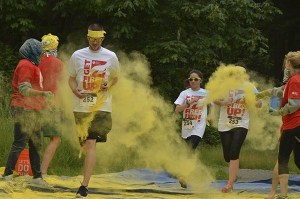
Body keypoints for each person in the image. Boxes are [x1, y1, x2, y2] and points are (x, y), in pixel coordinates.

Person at [69, 23, 120, 198]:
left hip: (101, 107)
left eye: (98, 39)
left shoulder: (111, 56)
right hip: (81, 107)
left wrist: (108, 84)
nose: (95, 42)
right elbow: (71, 79)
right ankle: (88, 170)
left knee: (90, 143)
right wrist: (75, 90)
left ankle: (84, 187)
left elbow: (115, 78)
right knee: (85, 144)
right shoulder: (77, 55)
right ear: (88, 37)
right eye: (92, 39)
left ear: (103, 38)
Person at [2, 38, 53, 185]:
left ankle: (37, 177)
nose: (42, 54)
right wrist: (43, 94)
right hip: (24, 108)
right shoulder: (25, 65)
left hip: (33, 109)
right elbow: (24, 90)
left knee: (35, 143)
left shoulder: (32, 64)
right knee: (20, 142)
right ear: (32, 51)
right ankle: (7, 175)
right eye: (40, 52)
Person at [258, 51, 300, 199]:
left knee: (282, 159)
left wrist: (278, 112)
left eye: (286, 63)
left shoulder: (295, 79)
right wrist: (261, 94)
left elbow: (294, 104)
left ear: (289, 64)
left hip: (293, 124)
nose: (284, 66)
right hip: (294, 124)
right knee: (298, 160)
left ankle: (282, 195)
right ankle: (276, 193)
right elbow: (279, 91)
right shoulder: (292, 79)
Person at [214, 63, 262, 193]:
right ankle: (233, 174)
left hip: (241, 124)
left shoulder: (249, 86)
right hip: (225, 124)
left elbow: (259, 103)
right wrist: (223, 102)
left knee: (234, 152)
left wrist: (250, 101)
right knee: (227, 156)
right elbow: (214, 99)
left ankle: (230, 183)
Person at [174, 69, 208, 188]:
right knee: (188, 153)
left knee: (190, 149)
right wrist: (189, 103)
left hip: (198, 127)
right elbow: (177, 109)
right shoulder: (184, 93)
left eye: (196, 79)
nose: (193, 81)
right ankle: (190, 172)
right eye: (191, 79)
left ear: (200, 81)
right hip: (187, 127)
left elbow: (217, 103)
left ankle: (184, 175)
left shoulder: (206, 93)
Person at [39, 33, 64, 175]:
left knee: (35, 137)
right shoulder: (59, 63)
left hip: (36, 103)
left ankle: (38, 168)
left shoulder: (36, 61)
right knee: (55, 139)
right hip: (52, 104)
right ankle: (43, 171)